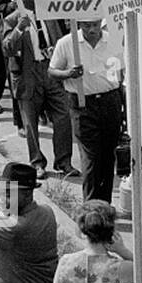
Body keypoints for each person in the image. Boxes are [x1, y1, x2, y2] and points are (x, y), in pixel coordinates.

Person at [48, 20, 123, 204]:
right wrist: (68, 74)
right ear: (79, 25)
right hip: (82, 104)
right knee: (91, 159)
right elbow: (52, 70)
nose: (92, 30)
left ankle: (104, 205)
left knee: (107, 157)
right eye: (87, 26)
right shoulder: (66, 43)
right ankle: (90, 207)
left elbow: (121, 71)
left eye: (96, 25)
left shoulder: (113, 40)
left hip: (110, 102)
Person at [1, 0, 73, 179]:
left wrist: (54, 52)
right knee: (30, 123)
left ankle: (64, 162)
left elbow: (60, 41)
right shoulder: (11, 20)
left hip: (49, 70)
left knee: (63, 115)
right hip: (27, 74)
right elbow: (7, 48)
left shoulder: (49, 14)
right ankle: (37, 163)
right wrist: (18, 29)